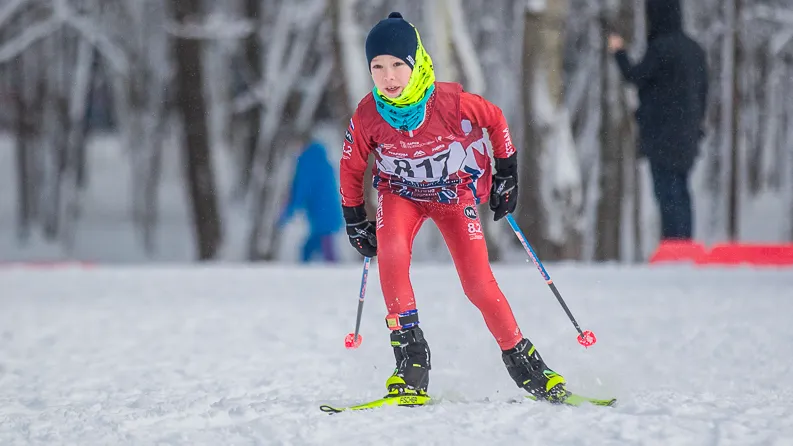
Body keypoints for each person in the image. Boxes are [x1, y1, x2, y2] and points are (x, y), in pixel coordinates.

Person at [338, 12, 569, 403]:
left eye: (398, 65)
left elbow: (496, 121)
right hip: (400, 195)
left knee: (478, 284)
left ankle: (524, 361)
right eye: (377, 67)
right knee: (391, 254)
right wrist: (354, 217)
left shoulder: (448, 101)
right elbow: (351, 166)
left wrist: (507, 174)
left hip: (452, 195)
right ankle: (410, 361)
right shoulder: (367, 114)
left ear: (416, 64)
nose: (388, 78)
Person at [608, 0, 708, 240]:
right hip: (687, 135)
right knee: (682, 191)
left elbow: (635, 76)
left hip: (662, 135)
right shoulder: (694, 50)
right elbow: (704, 93)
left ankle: (674, 246)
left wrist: (618, 52)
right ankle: (684, 244)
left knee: (667, 192)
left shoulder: (661, 49)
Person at [278, 138, 343, 263]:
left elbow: (301, 190)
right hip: (329, 211)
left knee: (319, 247)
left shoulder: (307, 163)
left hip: (321, 214)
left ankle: (331, 271)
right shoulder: (322, 160)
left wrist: (288, 212)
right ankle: (331, 269)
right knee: (318, 245)